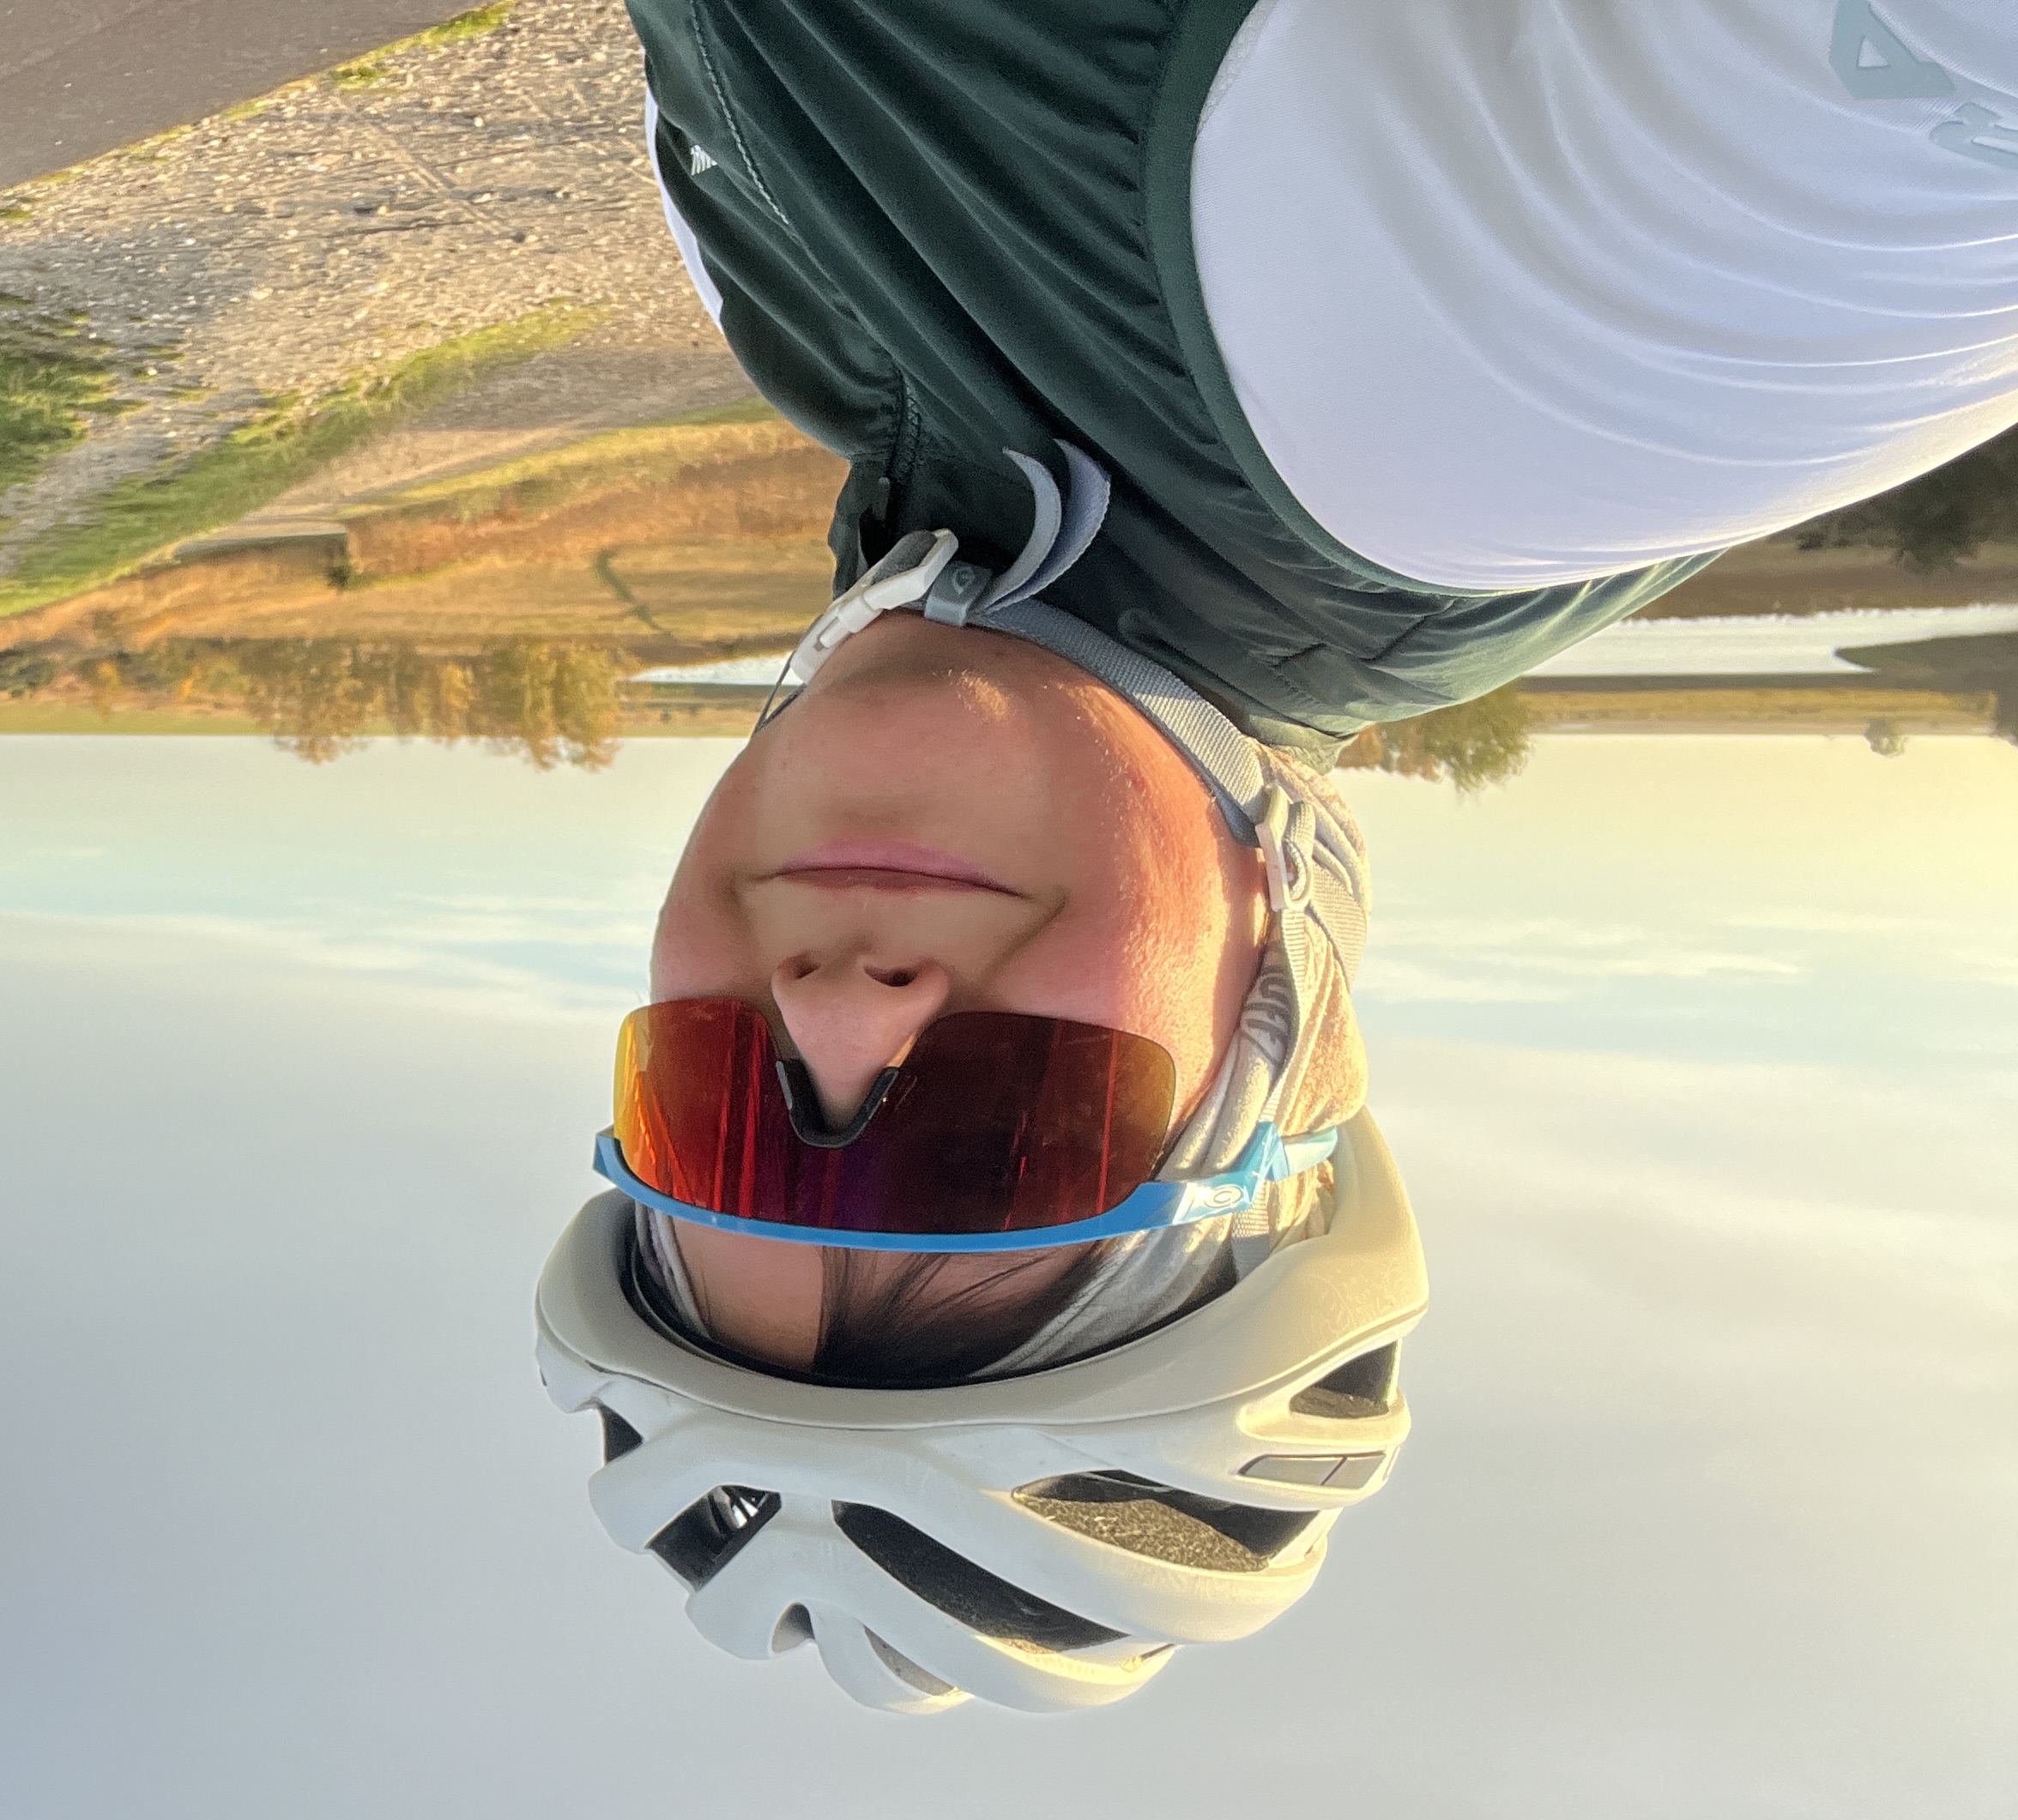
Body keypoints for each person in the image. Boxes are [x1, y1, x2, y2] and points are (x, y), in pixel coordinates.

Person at [540, 0, 2018, 1709]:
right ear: (1288, 1029)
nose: (838, 1011)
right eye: (994, 1143)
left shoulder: (803, 325)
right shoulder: (1544, 371)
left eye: (716, 1111)